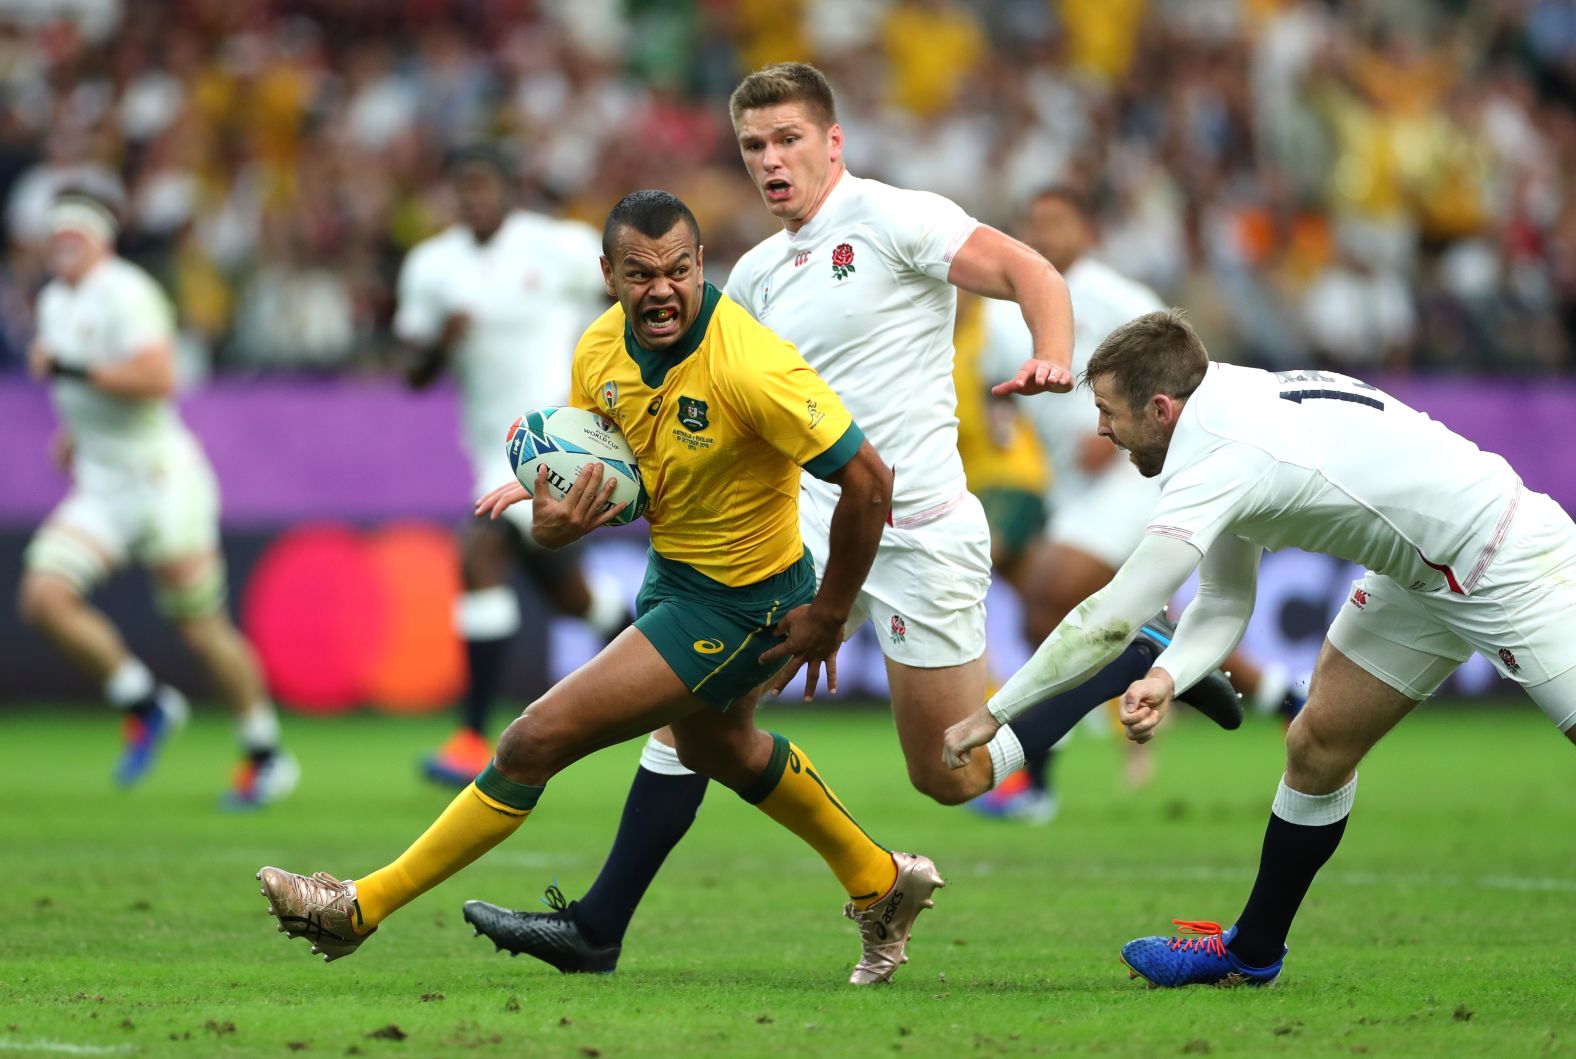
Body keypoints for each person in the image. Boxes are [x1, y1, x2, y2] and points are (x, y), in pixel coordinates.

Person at [461, 61, 1240, 975]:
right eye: (753, 145)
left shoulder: (895, 218)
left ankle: (1133, 656)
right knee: (694, 713)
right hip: (803, 522)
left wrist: (1052, 355)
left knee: (952, 774)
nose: (770, 160)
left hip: (917, 527)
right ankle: (598, 927)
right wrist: (576, 489)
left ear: (833, 142)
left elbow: (1028, 268)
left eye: (788, 138)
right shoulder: (750, 276)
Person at [258, 190, 946, 986]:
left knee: (531, 739)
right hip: (675, 577)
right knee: (714, 744)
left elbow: (868, 483)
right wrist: (558, 523)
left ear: (699, 267)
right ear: (608, 275)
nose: (662, 289)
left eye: (679, 270)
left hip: (743, 602)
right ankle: (879, 879)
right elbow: (624, 484)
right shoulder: (596, 353)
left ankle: (355, 906)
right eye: (640, 272)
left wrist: (828, 614)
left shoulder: (751, 364)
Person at [941, 308, 1576, 987]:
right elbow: (1223, 601)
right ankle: (1252, 951)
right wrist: (1167, 674)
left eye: (1107, 411)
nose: (1100, 429)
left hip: (1509, 556)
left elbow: (1107, 616)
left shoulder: (1220, 451)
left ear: (1160, 408)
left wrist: (995, 713)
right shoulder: (1218, 411)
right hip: (1418, 575)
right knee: (1318, 742)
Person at [970, 187, 1304, 821]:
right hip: (1071, 492)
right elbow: (1002, 393)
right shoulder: (1002, 312)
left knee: (1050, 599)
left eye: (1056, 222)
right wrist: (1002, 417)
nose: (1043, 234)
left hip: (1133, 470)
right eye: (1031, 223)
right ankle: (1284, 698)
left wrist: (1127, 426)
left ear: (1087, 231)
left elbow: (1182, 373)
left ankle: (1035, 777)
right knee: (1117, 614)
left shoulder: (1119, 298)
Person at [17, 191, 296, 808]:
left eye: (76, 234)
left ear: (102, 239)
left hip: (159, 479)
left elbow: (159, 377)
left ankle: (265, 751)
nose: (63, 243)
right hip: (103, 480)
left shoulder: (125, 291)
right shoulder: (57, 298)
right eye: (55, 232)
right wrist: (75, 432)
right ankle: (143, 700)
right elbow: (95, 387)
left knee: (199, 626)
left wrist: (70, 370)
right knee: (44, 597)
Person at [394, 147, 628, 787]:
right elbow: (412, 375)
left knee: (479, 549)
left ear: (508, 189)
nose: (472, 199)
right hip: (489, 448)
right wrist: (443, 337)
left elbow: (627, 294)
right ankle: (657, 656)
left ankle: (471, 736)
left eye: (482, 186)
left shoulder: (559, 247)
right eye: (461, 189)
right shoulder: (432, 266)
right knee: (572, 597)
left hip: (558, 440)